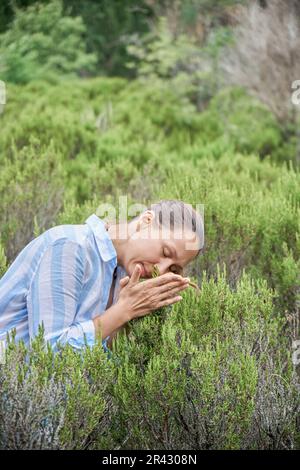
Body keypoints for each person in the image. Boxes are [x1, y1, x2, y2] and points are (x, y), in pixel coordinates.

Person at [0, 199, 204, 355]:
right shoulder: (70, 247)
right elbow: (50, 353)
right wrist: (123, 310)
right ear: (146, 221)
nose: (160, 268)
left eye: (173, 268)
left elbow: (101, 367)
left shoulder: (123, 276)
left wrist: (129, 316)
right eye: (165, 252)